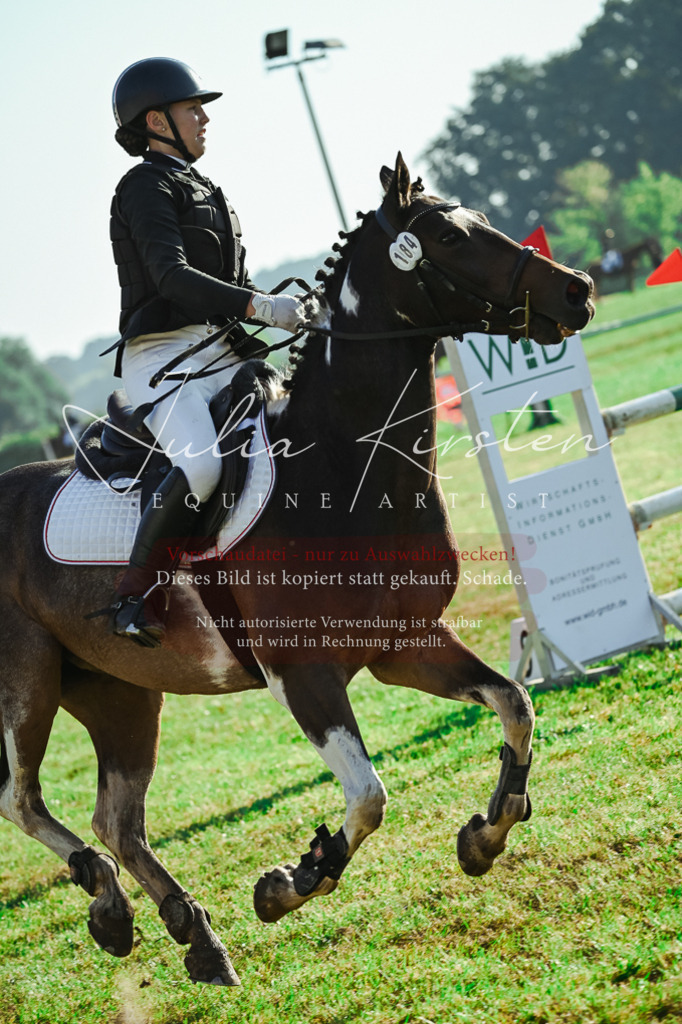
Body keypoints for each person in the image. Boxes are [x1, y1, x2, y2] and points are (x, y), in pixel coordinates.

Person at [107, 57, 308, 648]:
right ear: (156, 121)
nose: (203, 119)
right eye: (192, 108)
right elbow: (170, 276)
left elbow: (230, 288)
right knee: (201, 466)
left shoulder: (208, 188)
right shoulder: (142, 185)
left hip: (219, 351)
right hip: (164, 361)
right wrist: (259, 306)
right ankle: (134, 595)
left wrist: (289, 311)